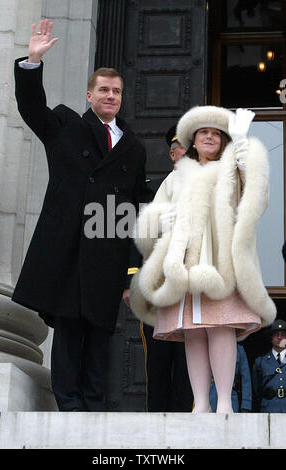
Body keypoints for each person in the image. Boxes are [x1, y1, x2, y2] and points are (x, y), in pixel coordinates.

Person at [11, 19, 150, 412]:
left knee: (101, 331)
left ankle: (95, 406)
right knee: (70, 329)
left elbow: (135, 205)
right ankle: (69, 406)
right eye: (104, 90)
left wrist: (131, 270)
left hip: (108, 249)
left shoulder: (134, 148)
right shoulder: (66, 126)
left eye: (117, 91)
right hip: (69, 247)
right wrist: (33, 62)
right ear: (89, 94)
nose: (111, 96)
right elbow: (32, 108)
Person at [130, 105, 276, 414]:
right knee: (192, 332)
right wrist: (160, 219)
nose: (209, 137)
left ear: (223, 140)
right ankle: (200, 405)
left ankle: (222, 401)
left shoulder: (232, 169)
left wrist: (242, 145)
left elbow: (256, 195)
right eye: (203, 133)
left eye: (216, 133)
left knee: (220, 327)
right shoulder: (177, 177)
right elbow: (150, 221)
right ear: (193, 141)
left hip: (222, 266)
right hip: (183, 266)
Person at [138, 127, 193, 412]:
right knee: (157, 359)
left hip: (191, 288)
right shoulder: (151, 189)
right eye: (182, 148)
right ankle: (155, 418)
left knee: (188, 360)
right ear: (173, 154)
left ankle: (186, 419)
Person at [252, 319, 286, 412]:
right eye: (276, 334)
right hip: (269, 409)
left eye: (283, 335)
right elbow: (256, 391)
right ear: (271, 337)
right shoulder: (260, 362)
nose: (279, 337)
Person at [209, 344, 252, 412]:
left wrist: (246, 405)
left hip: (231, 397)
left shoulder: (238, 349)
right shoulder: (206, 346)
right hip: (209, 396)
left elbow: (245, 379)